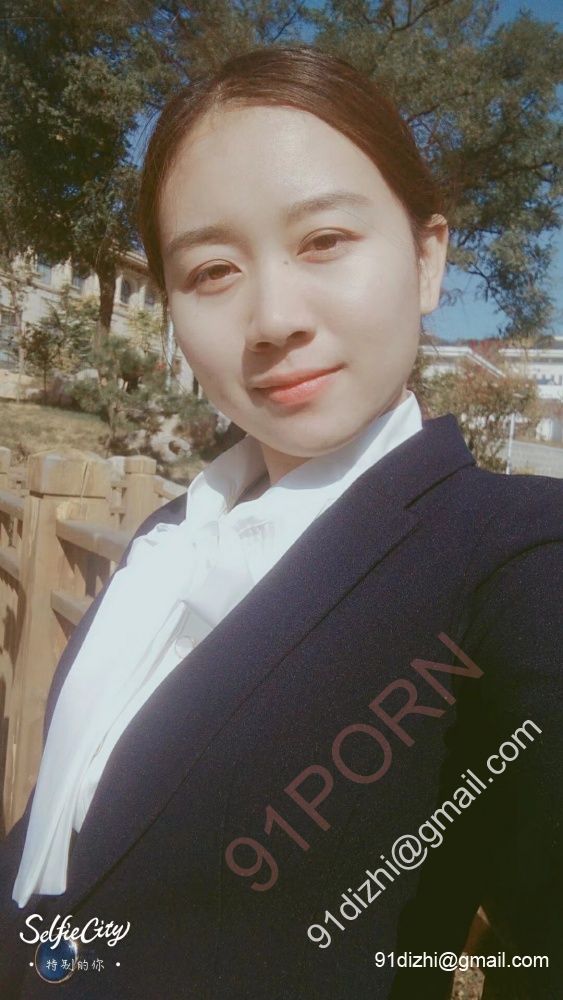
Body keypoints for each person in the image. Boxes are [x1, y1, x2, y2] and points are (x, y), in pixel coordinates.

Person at [1, 44, 562, 1000]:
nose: (272, 319)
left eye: (324, 241)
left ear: (427, 259)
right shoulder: (171, 541)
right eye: (212, 270)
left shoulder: (511, 557)